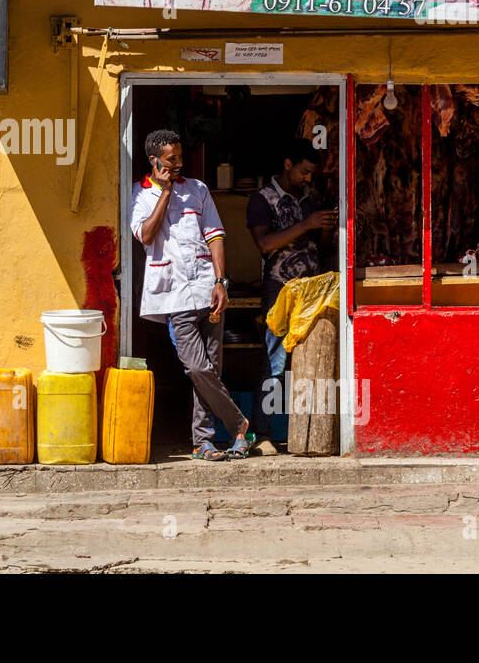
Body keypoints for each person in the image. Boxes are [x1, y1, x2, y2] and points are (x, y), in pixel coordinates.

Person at [131, 129, 252, 462]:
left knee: (211, 369)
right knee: (198, 368)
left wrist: (221, 282)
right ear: (155, 161)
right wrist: (165, 193)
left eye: (180, 158)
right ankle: (240, 424)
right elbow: (145, 234)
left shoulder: (198, 190)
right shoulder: (139, 195)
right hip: (173, 297)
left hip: (207, 291)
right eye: (172, 160)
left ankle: (203, 442)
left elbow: (214, 236)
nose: (178, 164)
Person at [246, 138, 337, 455]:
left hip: (314, 291)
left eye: (311, 173)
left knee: (313, 362)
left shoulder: (312, 199)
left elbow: (322, 248)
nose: (308, 178)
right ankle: (261, 435)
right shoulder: (262, 199)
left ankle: (311, 434)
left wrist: (325, 227)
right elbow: (265, 244)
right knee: (274, 361)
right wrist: (307, 223)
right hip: (280, 290)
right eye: (304, 171)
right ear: (287, 164)